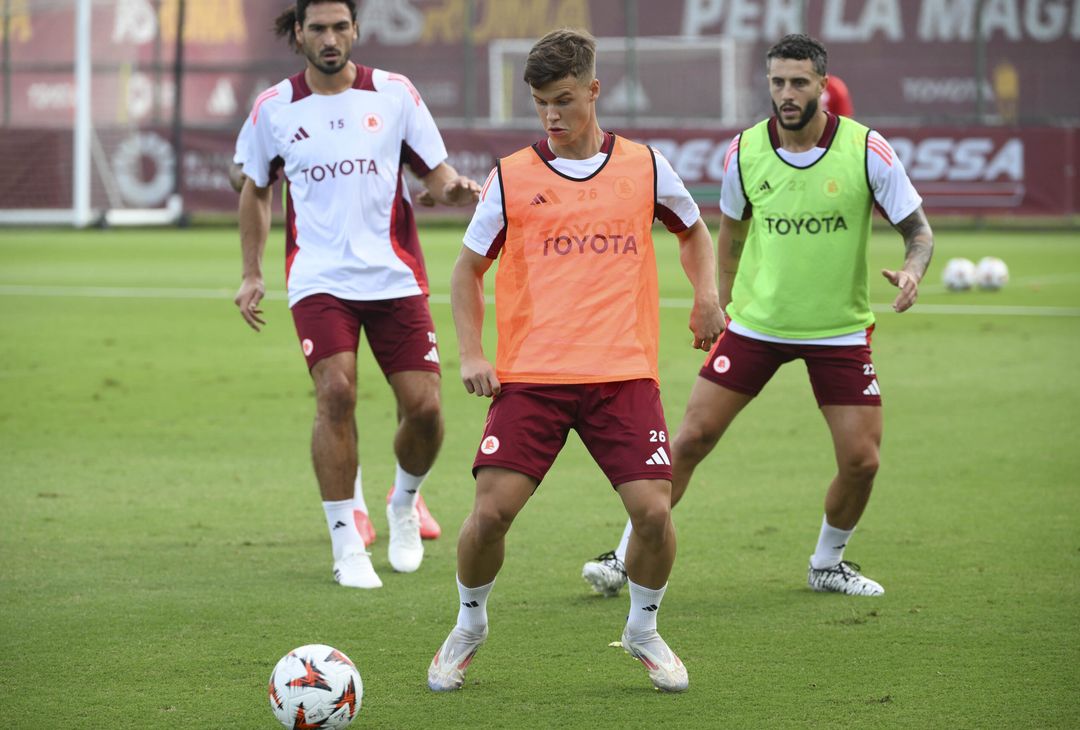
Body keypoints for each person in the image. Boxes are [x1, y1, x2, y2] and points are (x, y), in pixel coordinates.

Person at [582, 33, 933, 599]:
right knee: (690, 438)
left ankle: (827, 562)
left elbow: (918, 232)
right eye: (777, 83)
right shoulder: (744, 152)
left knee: (862, 461)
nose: (787, 94)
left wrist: (914, 269)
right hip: (755, 327)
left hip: (838, 331)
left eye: (798, 82)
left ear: (823, 85)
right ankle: (625, 556)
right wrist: (716, 305)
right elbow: (730, 237)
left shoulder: (867, 150)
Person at [426, 29, 724, 694]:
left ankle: (644, 629)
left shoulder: (645, 166)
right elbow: (466, 271)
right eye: (540, 104)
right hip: (533, 376)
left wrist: (707, 296)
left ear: (594, 90)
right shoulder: (512, 176)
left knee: (653, 511)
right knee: (491, 511)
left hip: (623, 372)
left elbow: (695, 230)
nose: (552, 116)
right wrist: (473, 351)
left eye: (563, 100)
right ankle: (469, 624)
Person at [233, 0, 480, 589]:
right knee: (336, 393)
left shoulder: (394, 93)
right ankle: (346, 542)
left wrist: (451, 191)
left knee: (425, 409)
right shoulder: (273, 107)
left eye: (340, 26)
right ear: (298, 34)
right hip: (318, 277)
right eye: (317, 28)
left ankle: (403, 502)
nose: (330, 38)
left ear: (355, 31)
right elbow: (255, 189)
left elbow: (434, 172)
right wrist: (251, 273)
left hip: (394, 276)